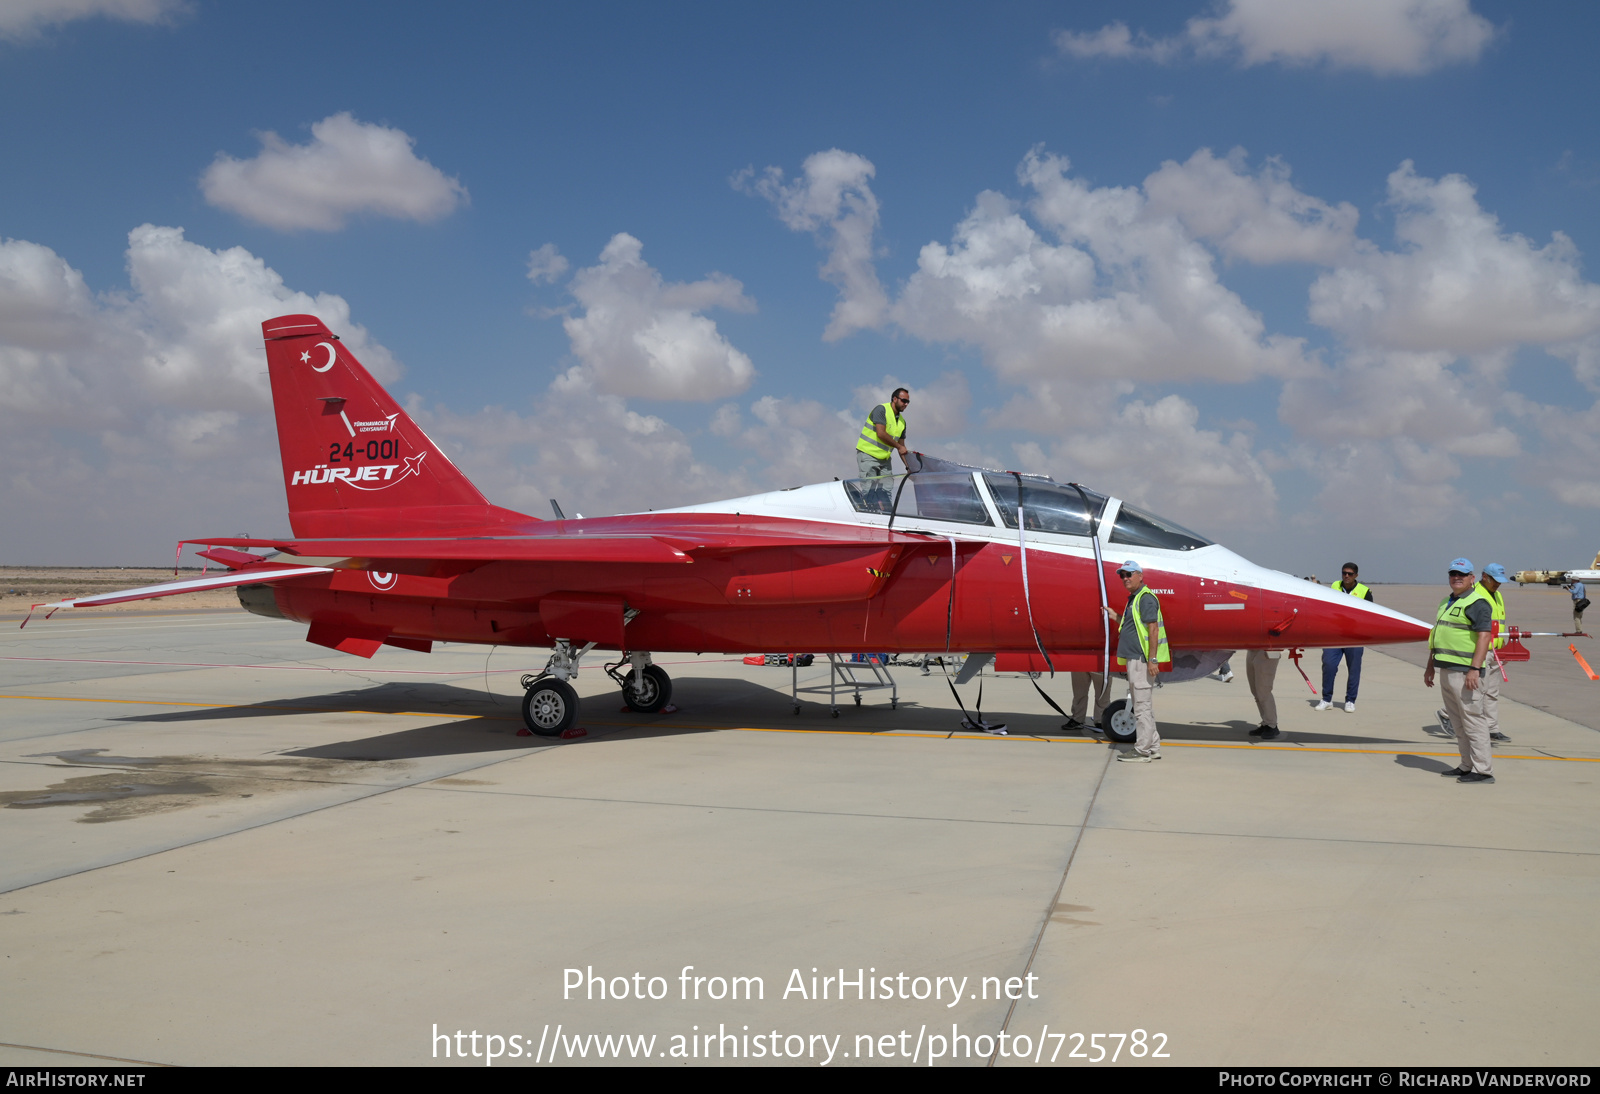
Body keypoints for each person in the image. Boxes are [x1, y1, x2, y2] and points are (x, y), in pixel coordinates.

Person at [1424, 558, 1496, 784]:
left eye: (1462, 574)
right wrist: (1430, 666)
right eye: (1453, 573)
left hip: (1466, 673)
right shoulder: (1447, 601)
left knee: (1473, 720)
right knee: (1458, 722)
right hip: (1446, 669)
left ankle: (1483, 770)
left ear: (1472, 578)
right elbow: (1438, 634)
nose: (1457, 577)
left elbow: (1485, 636)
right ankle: (1466, 765)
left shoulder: (1478, 602)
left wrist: (1475, 668)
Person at [1103, 561, 1168, 762]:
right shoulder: (1135, 599)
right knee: (1144, 706)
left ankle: (1142, 751)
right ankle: (1153, 746)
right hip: (1136, 659)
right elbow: (1133, 627)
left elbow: (1153, 628)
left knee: (1141, 707)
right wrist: (1116, 617)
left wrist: (1153, 659)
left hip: (1141, 660)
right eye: (1122, 575)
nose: (1125, 578)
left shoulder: (1145, 598)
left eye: (1129, 574)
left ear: (1140, 575)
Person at [1317, 562, 1372, 712]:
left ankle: (1350, 700)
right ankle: (1326, 699)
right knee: (1328, 665)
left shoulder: (1364, 591)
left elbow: (1370, 615)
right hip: (1334, 636)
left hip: (1354, 637)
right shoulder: (1335, 586)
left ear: (1356, 576)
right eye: (1344, 573)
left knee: (1354, 669)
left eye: (1350, 574)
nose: (1346, 576)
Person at [1478, 563, 1511, 744]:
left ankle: (1492, 728)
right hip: (1481, 649)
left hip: (1495, 649)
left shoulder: (1497, 595)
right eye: (1495, 581)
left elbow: (1499, 622)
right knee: (1476, 690)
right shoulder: (1474, 594)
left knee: (1492, 691)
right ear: (1485, 577)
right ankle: (1447, 714)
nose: (1498, 585)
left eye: (1500, 581)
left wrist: (1502, 644)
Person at [855, 388, 910, 479]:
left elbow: (902, 448)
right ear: (895, 399)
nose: (906, 404)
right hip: (868, 455)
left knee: (886, 490)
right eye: (904, 401)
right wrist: (899, 447)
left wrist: (908, 467)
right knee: (869, 490)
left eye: (908, 402)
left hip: (885, 460)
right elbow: (881, 434)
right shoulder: (881, 410)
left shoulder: (902, 422)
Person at [1245, 649, 1281, 740]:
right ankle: (1266, 723)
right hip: (1252, 649)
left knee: (1263, 690)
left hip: (1267, 649)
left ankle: (1271, 725)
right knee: (1256, 691)